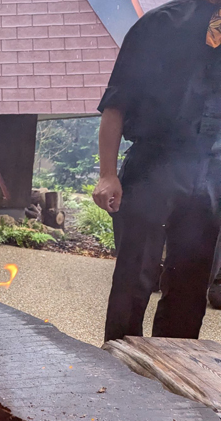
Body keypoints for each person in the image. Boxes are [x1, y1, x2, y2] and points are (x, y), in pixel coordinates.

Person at [94, 0, 221, 342]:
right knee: (135, 279)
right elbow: (117, 101)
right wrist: (108, 173)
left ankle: (170, 379)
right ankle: (119, 370)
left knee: (191, 287)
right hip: (154, 166)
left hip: (212, 176)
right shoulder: (159, 25)